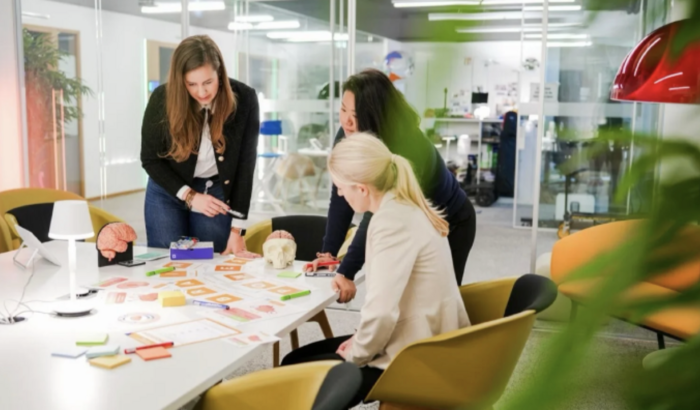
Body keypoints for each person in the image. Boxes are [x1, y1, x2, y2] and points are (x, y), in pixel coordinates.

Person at [283, 133, 471, 408]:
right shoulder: (403, 204)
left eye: (340, 187)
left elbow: (382, 312)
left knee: (292, 375)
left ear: (361, 189)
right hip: (427, 336)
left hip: (416, 354)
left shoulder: (390, 223)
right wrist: (359, 338)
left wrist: (357, 352)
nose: (339, 194)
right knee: (295, 360)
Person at [305, 69, 477, 302]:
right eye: (343, 110)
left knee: (436, 303)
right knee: (402, 299)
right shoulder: (348, 132)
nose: (347, 121)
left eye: (356, 114)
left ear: (375, 114)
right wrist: (329, 254)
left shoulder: (407, 145)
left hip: (451, 222)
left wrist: (346, 271)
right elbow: (341, 196)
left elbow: (378, 213)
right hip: (410, 221)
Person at [141, 35, 259, 257]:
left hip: (214, 189)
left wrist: (237, 230)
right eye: (191, 84)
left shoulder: (245, 99)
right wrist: (190, 196)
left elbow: (245, 167)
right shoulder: (162, 99)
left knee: (211, 258)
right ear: (181, 81)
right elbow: (150, 159)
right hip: (167, 189)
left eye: (208, 82)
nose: (202, 92)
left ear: (220, 74)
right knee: (166, 259)